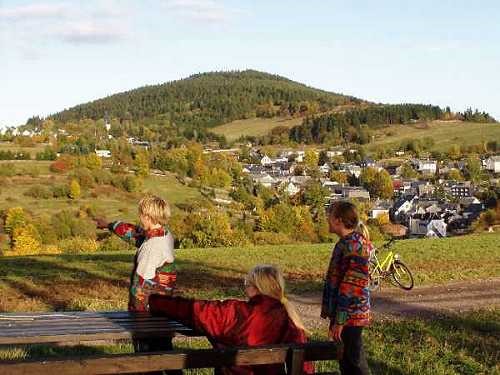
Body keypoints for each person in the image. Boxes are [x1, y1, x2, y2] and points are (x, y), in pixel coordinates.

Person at [149, 264, 314, 375]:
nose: (245, 286)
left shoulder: (237, 313)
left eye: (246, 282)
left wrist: (156, 301)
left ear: (254, 287)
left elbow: (195, 310)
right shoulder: (292, 320)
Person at [95, 195, 176, 354]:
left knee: (147, 356)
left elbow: (140, 287)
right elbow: (135, 233)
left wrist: (136, 319)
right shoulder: (164, 234)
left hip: (148, 314)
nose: (139, 219)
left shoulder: (152, 247)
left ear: (148, 216)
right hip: (163, 309)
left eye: (141, 215)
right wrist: (109, 225)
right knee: (166, 353)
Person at [321, 201, 373, 375]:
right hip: (345, 315)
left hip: (351, 315)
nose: (327, 219)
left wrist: (340, 320)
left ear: (339, 220)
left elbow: (350, 286)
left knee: (355, 363)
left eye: (330, 216)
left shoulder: (355, 246)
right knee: (346, 361)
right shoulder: (347, 243)